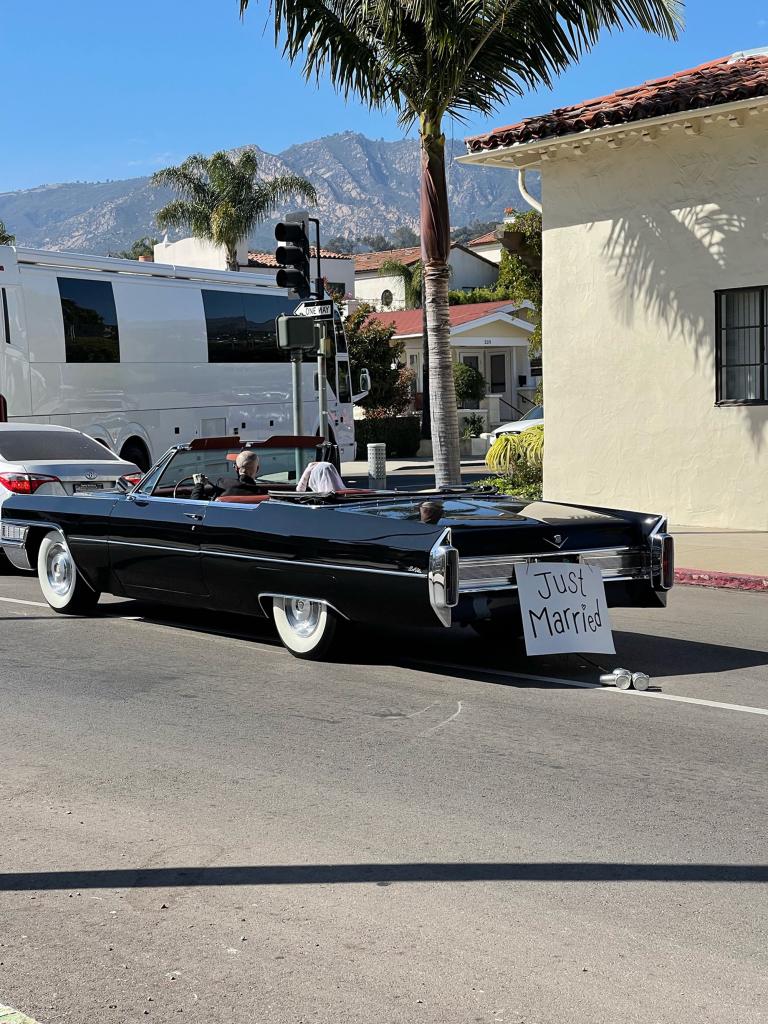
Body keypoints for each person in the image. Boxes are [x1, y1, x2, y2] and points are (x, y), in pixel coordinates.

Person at [191, 450, 264, 500]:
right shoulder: (263, 493)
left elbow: (195, 507)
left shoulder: (223, 484)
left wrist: (198, 485)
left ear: (236, 468)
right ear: (257, 469)